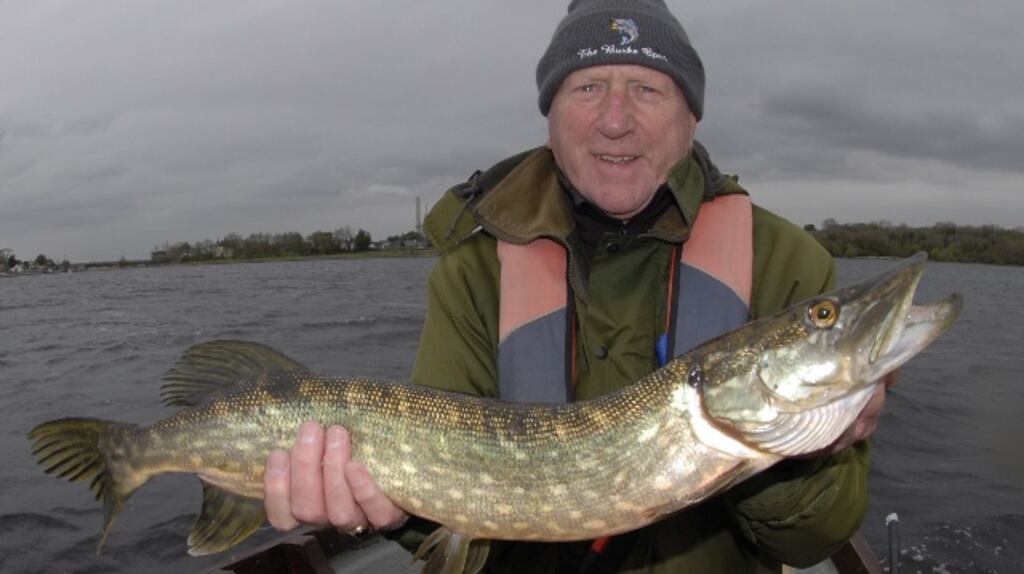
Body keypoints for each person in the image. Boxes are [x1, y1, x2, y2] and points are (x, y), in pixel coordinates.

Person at [263, 0, 896, 571]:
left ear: (692, 116)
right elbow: (445, 529)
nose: (614, 120)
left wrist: (802, 455)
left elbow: (810, 543)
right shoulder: (473, 273)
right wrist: (392, 511)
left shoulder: (785, 259)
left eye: (647, 88)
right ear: (551, 117)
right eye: (587, 86)